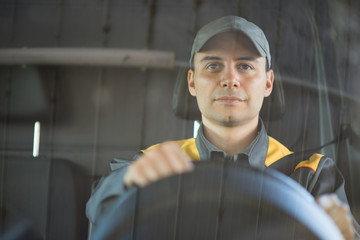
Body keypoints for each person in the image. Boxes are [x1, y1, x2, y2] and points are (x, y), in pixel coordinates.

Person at [86, 16, 359, 239]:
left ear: (267, 83)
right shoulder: (154, 166)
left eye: (245, 66)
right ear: (192, 82)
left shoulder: (310, 175)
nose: (230, 79)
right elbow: (99, 209)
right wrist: (126, 184)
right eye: (214, 65)